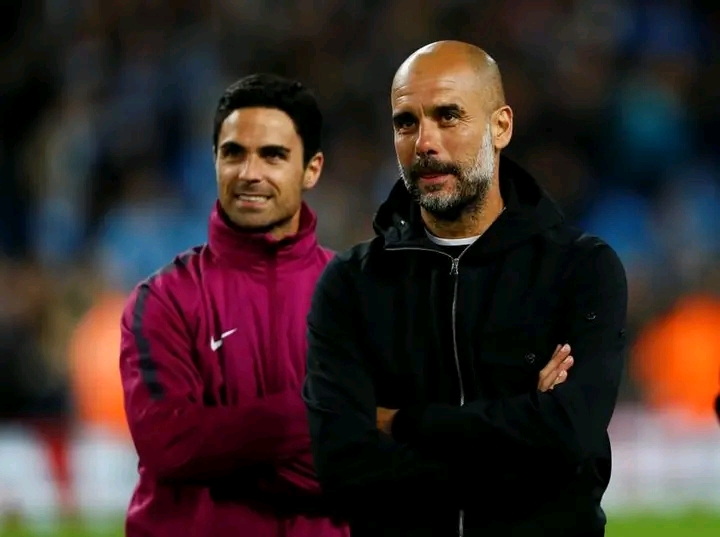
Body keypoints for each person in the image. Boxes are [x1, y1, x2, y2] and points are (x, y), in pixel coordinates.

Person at [303, 41, 628, 537]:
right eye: (405, 122)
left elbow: (571, 434)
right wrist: (526, 434)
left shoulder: (580, 269)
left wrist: (403, 424)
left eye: (448, 116)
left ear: (501, 127)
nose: (423, 143)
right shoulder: (351, 284)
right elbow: (342, 470)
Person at [120, 73, 348, 537]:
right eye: (234, 153)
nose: (249, 173)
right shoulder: (163, 300)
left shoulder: (358, 297)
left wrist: (223, 447)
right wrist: (321, 416)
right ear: (214, 161)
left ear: (312, 169)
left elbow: (386, 458)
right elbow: (170, 444)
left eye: (273, 155)